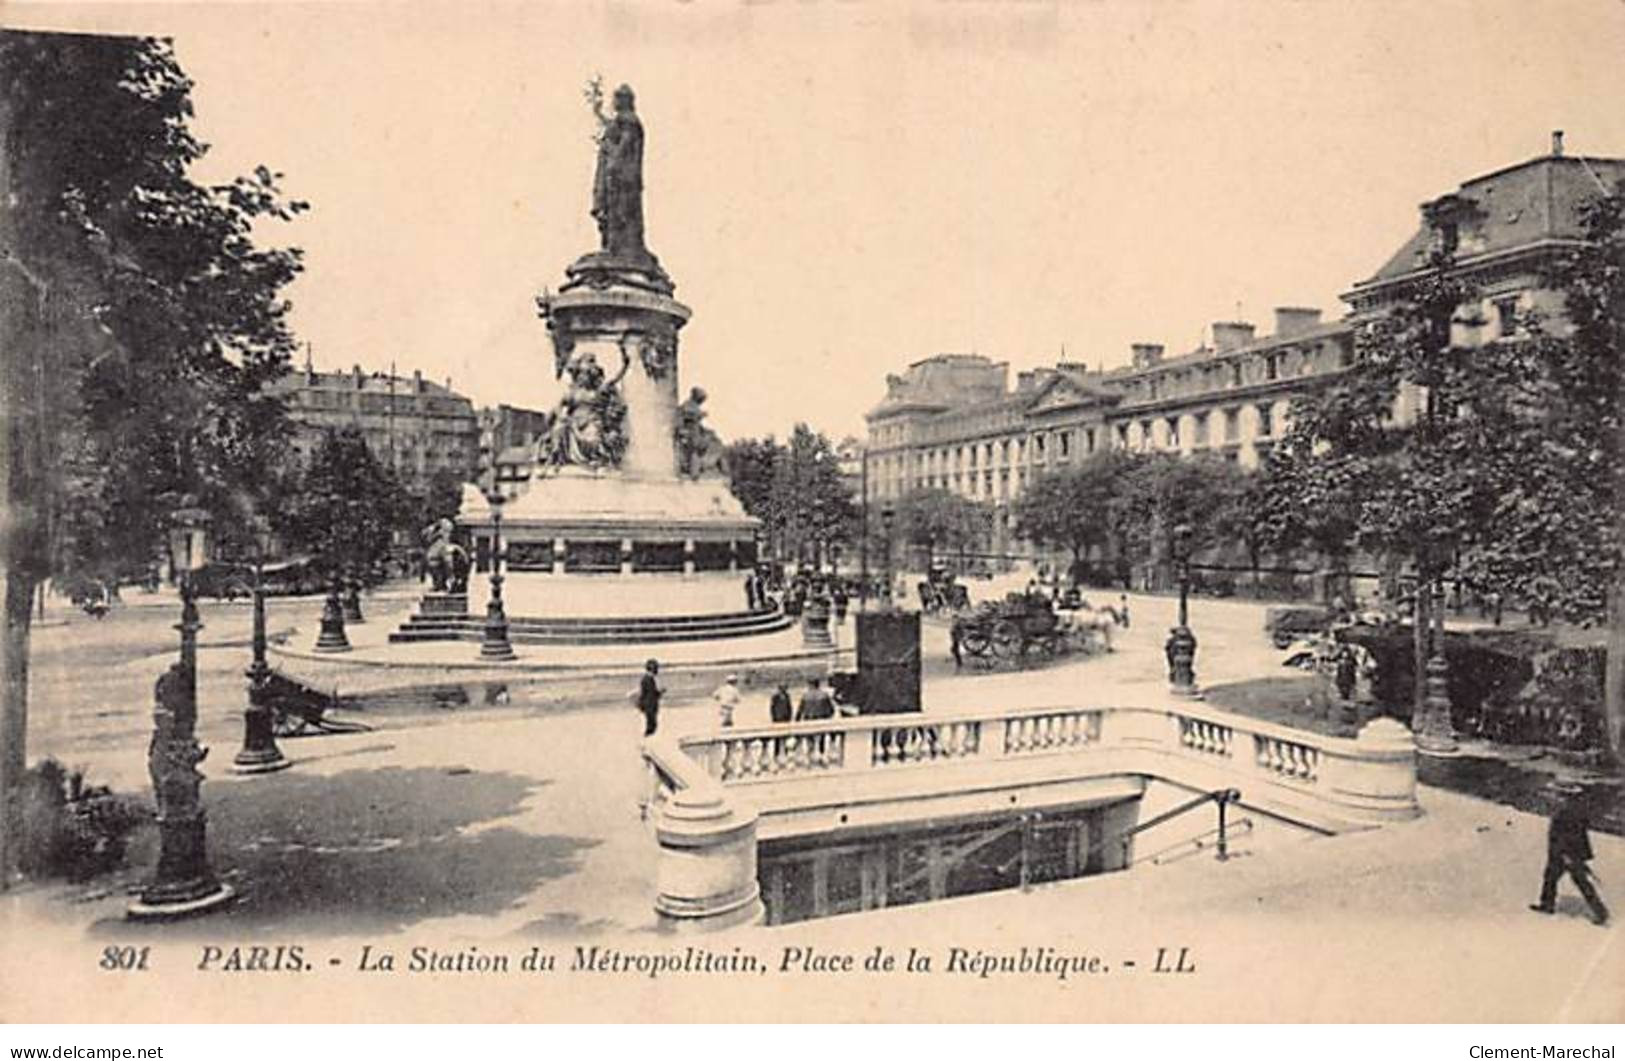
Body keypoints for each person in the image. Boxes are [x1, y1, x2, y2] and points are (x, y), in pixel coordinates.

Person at [1531, 781, 1610, 926]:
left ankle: (1601, 913)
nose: (1556, 798)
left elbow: (1570, 836)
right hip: (1564, 852)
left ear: (1567, 797)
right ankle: (1547, 904)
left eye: (1560, 796)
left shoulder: (1568, 813)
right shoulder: (1574, 810)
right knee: (1551, 877)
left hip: (1567, 853)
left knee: (1579, 881)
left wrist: (1567, 855)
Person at [636, 658, 663, 737]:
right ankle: (646, 741)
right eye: (656, 668)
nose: (657, 670)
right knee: (651, 725)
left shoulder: (647, 679)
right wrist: (659, 693)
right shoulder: (647, 679)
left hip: (649, 705)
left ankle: (647, 741)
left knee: (652, 725)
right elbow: (650, 694)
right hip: (650, 706)